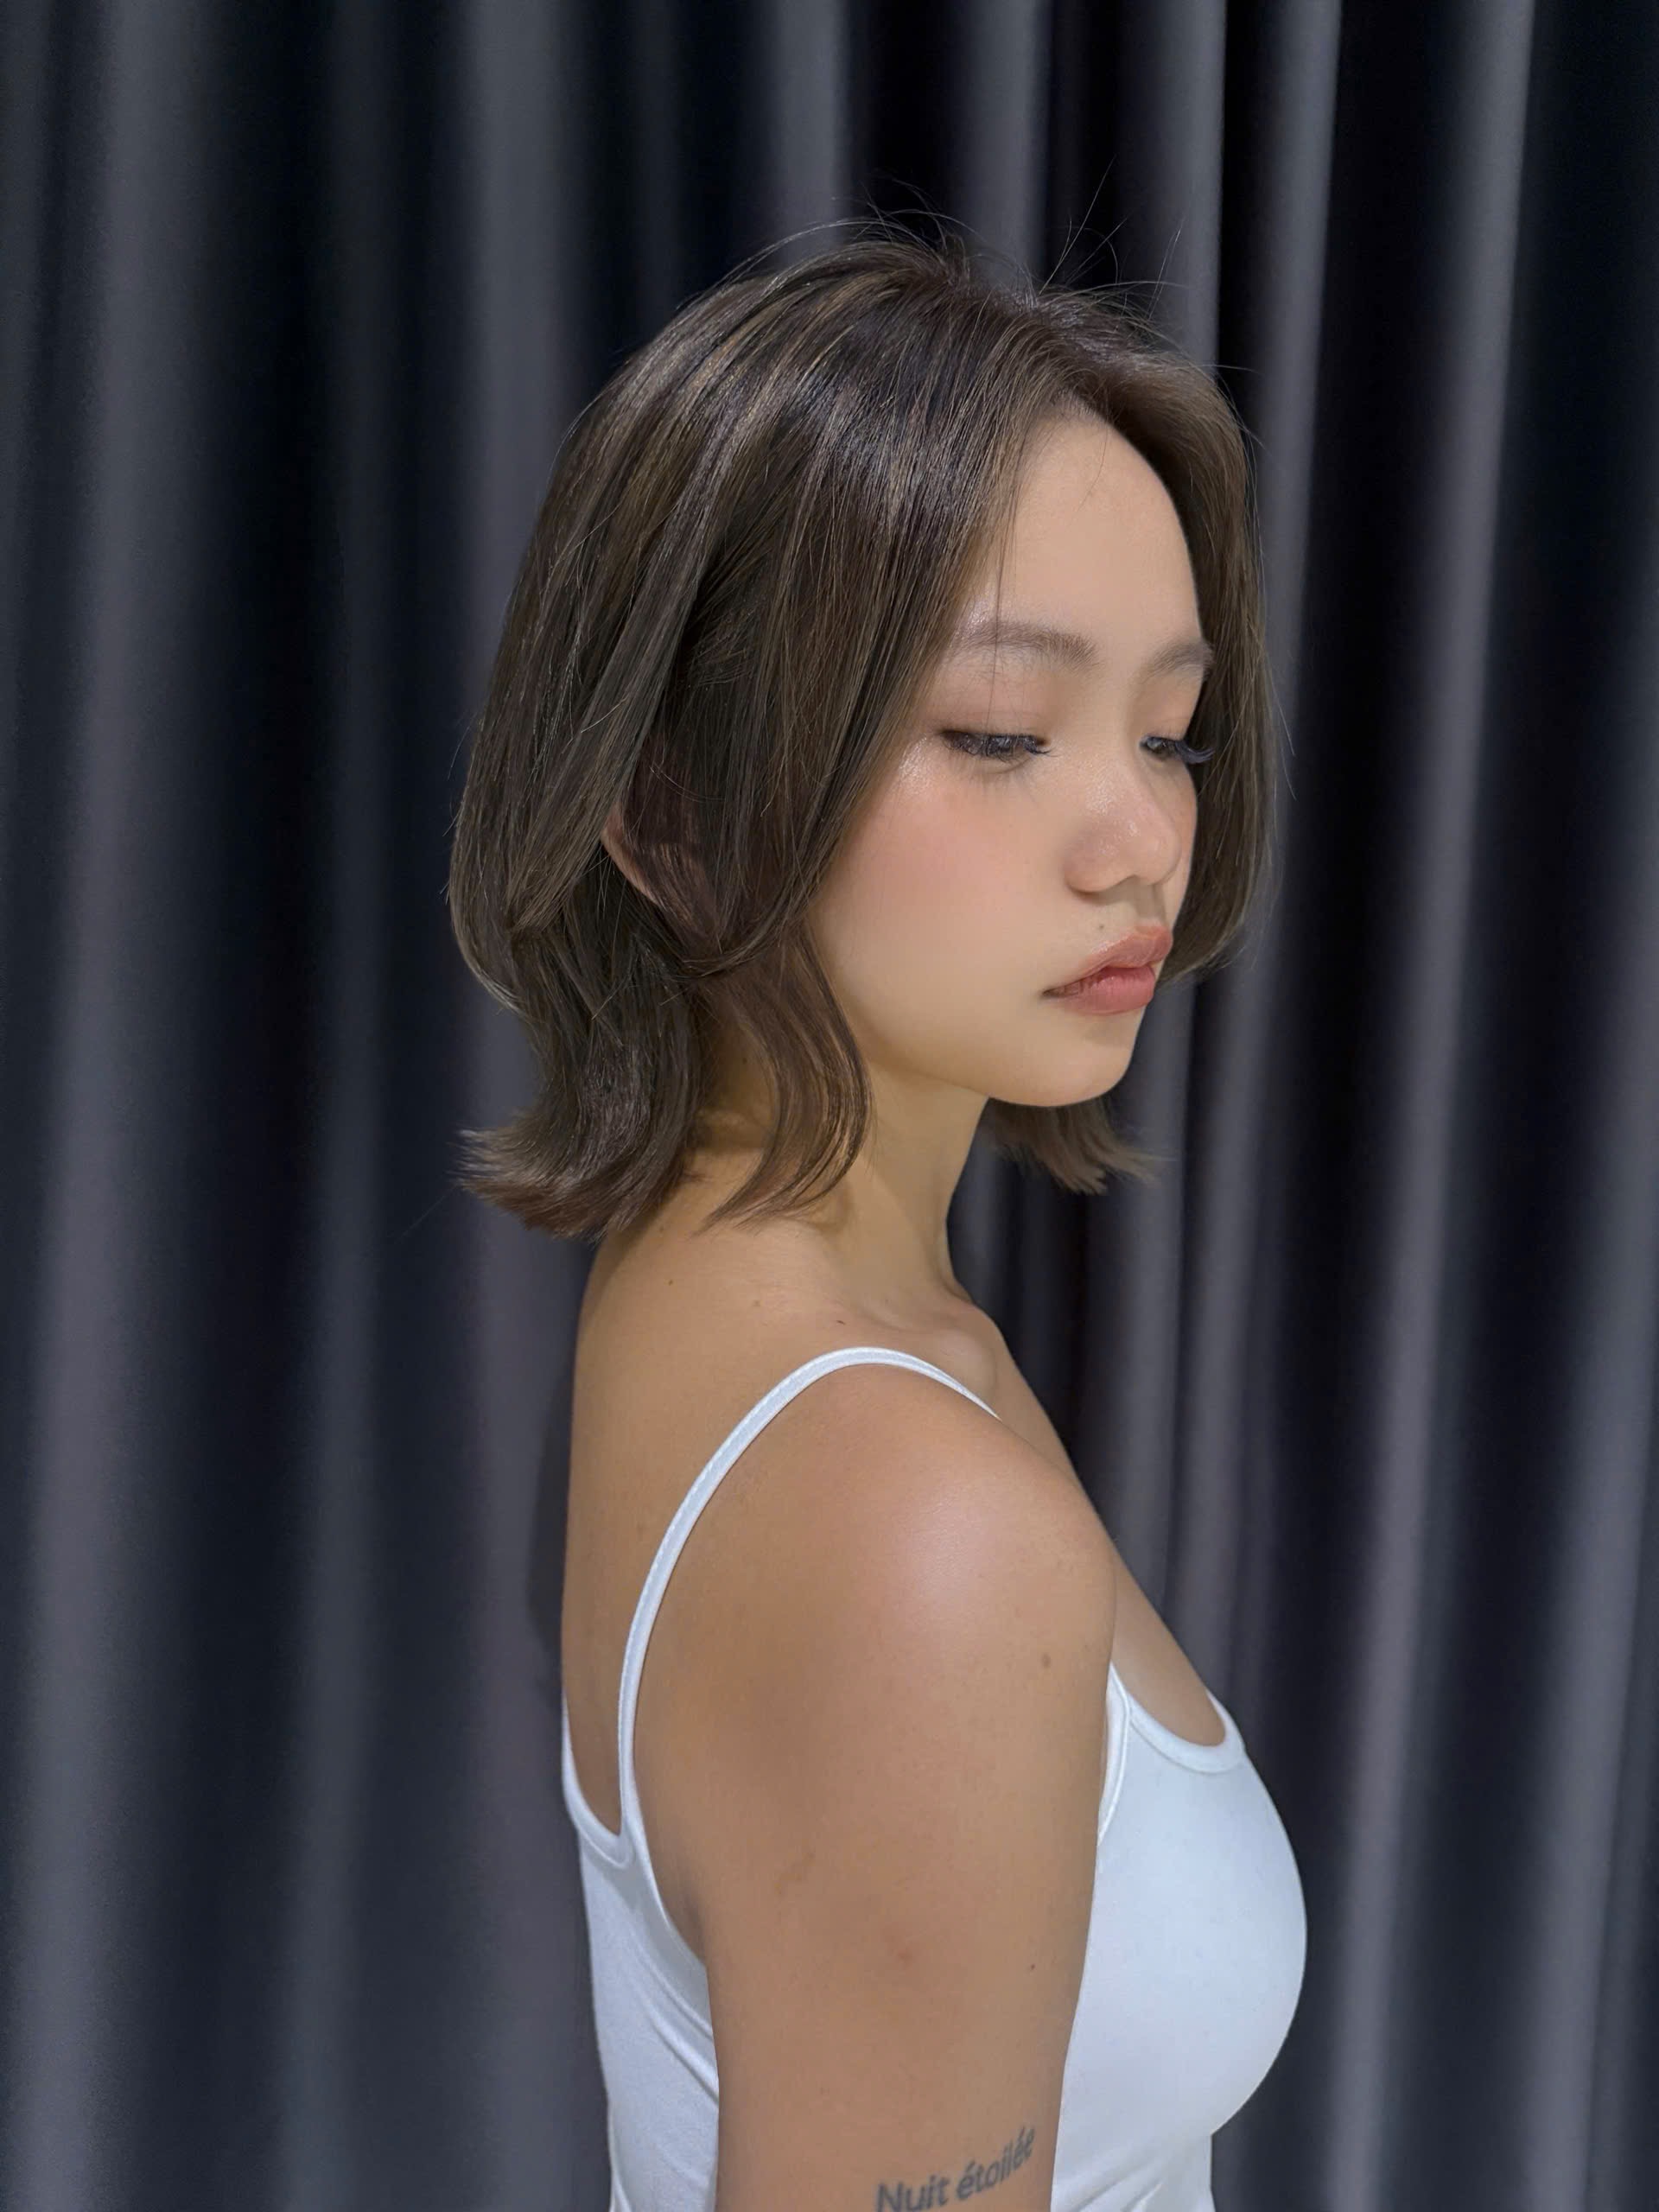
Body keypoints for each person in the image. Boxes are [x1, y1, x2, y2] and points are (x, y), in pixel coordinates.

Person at [448, 222, 1306, 2212]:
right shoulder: (909, 1522)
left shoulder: (718, 1284)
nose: (1143, 837)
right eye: (1001, 731)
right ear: (667, 808)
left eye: (1171, 730)